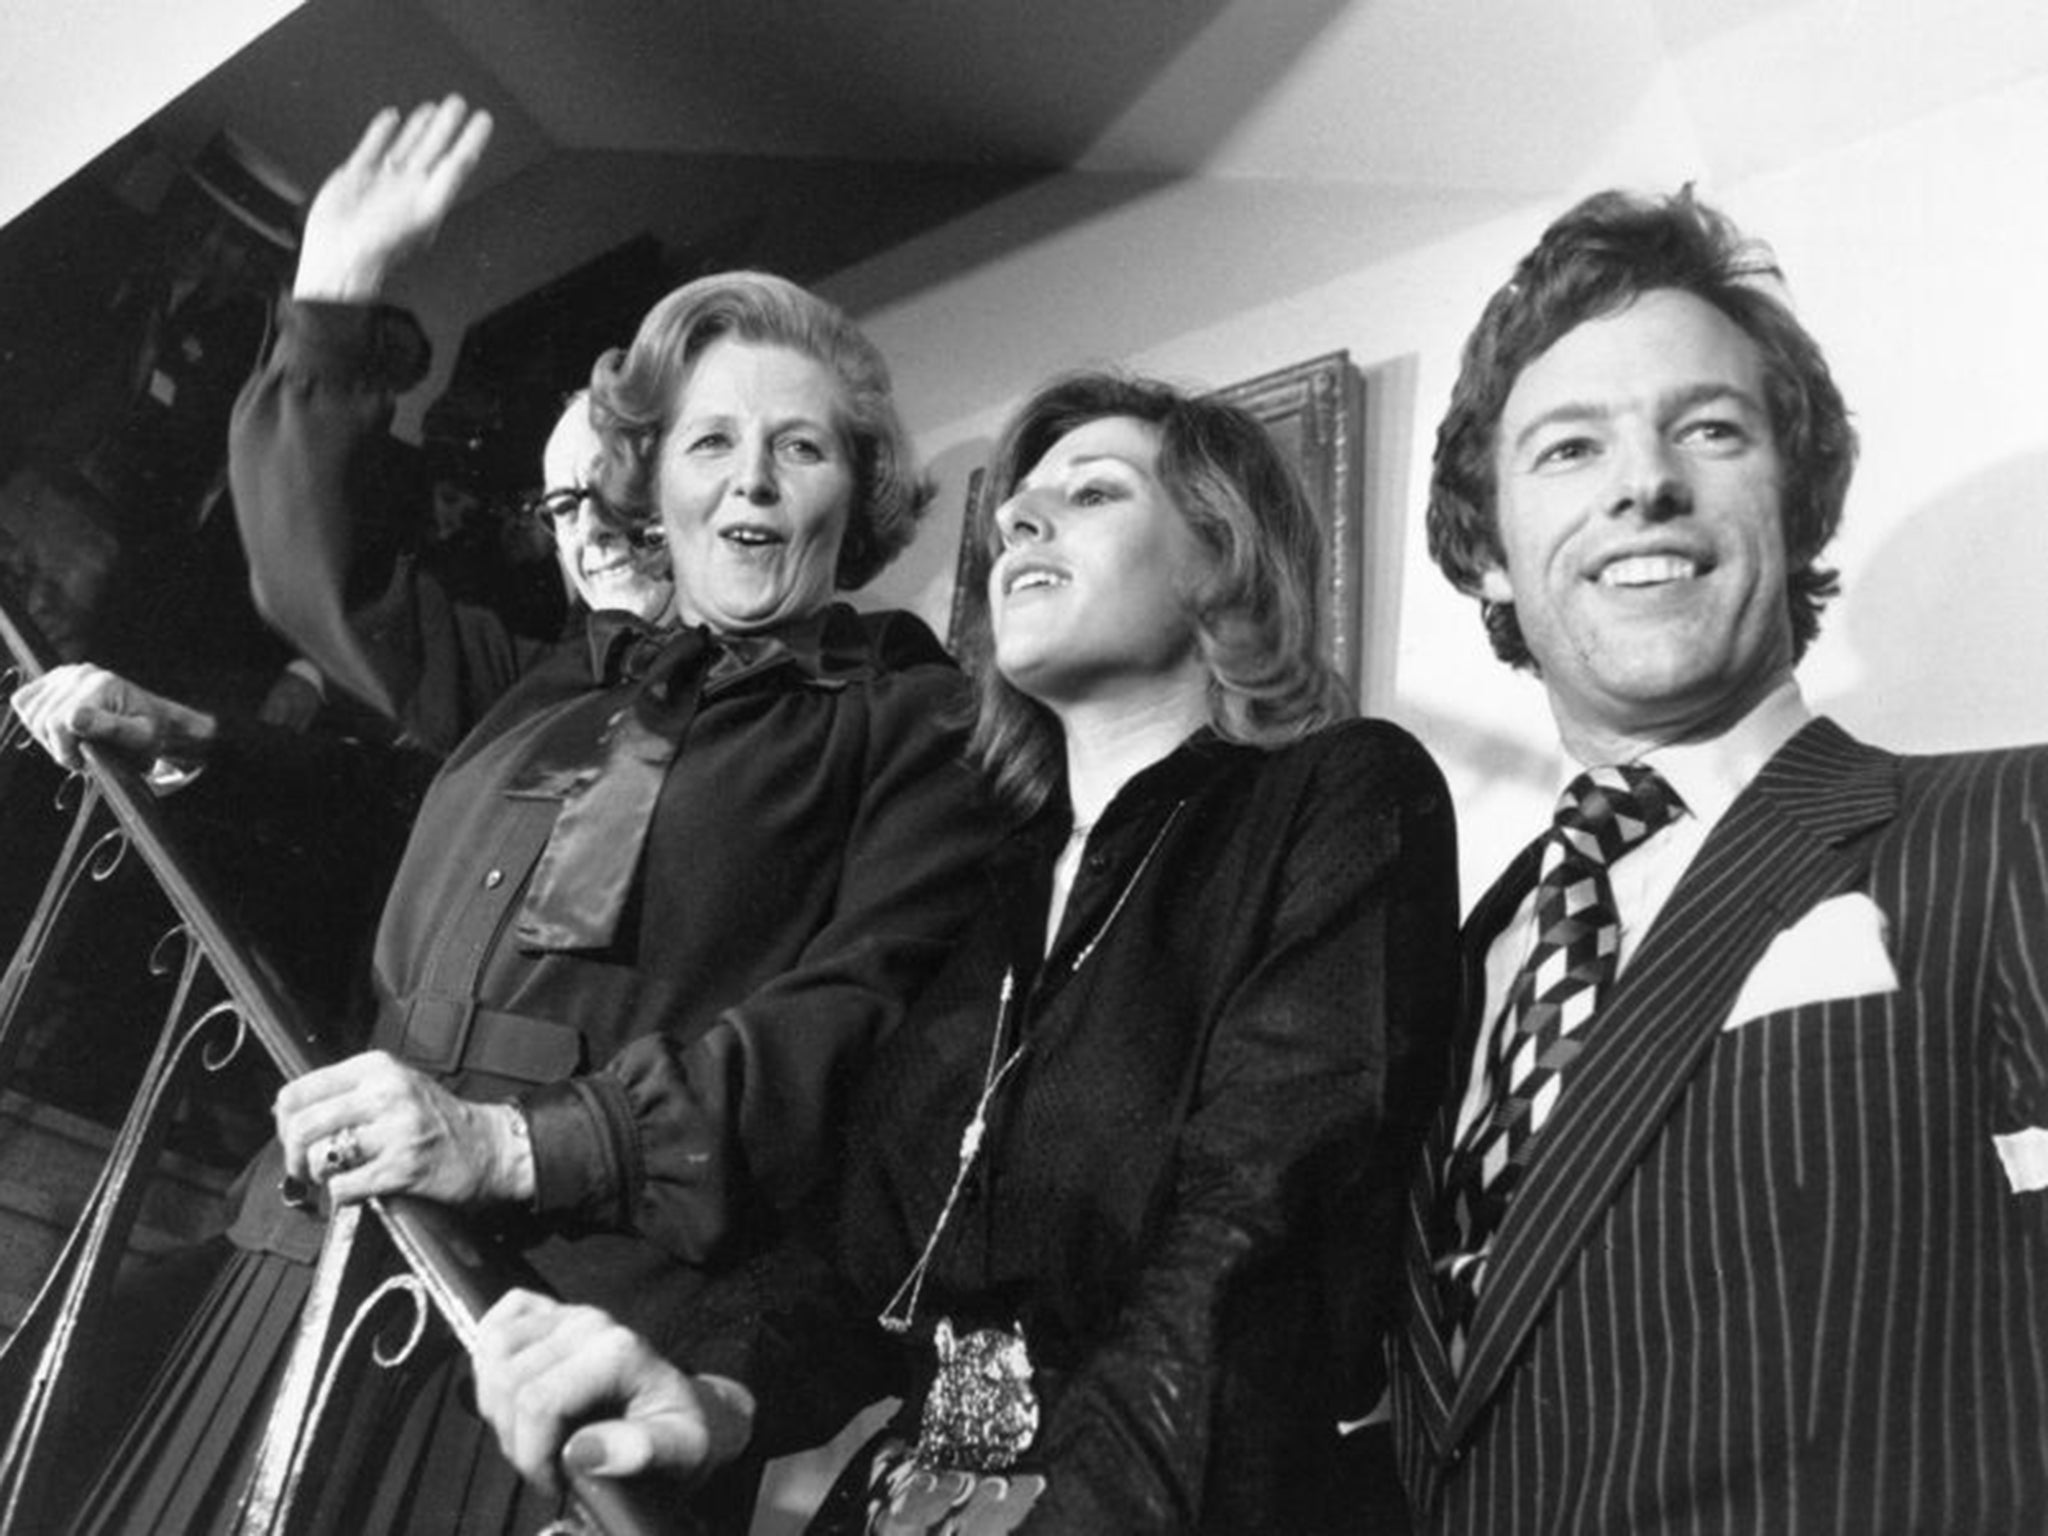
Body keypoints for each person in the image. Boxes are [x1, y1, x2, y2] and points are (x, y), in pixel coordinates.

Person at [11, 96, 996, 1533]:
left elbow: (835, 1035)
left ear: (865, 489)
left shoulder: (913, 724)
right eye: (710, 442)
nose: (753, 482)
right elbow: (318, 581)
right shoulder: (541, 682)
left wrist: (508, 1146)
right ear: (655, 481)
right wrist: (331, 302)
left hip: (557, 1344)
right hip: (312, 1256)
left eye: (804, 447)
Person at [469, 370, 1462, 1534]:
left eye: (1091, 493)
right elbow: (852, 1256)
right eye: (1017, 506)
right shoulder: (984, 883)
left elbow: (1250, 1243)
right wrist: (710, 1396)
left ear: (1221, 560)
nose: (1019, 521)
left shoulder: (1336, 797)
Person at [1386, 187, 2048, 1533]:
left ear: (1797, 510)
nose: (1645, 481)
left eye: (1709, 429)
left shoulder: (2012, 830)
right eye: (1568, 449)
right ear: (1491, 558)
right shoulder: (1437, 967)